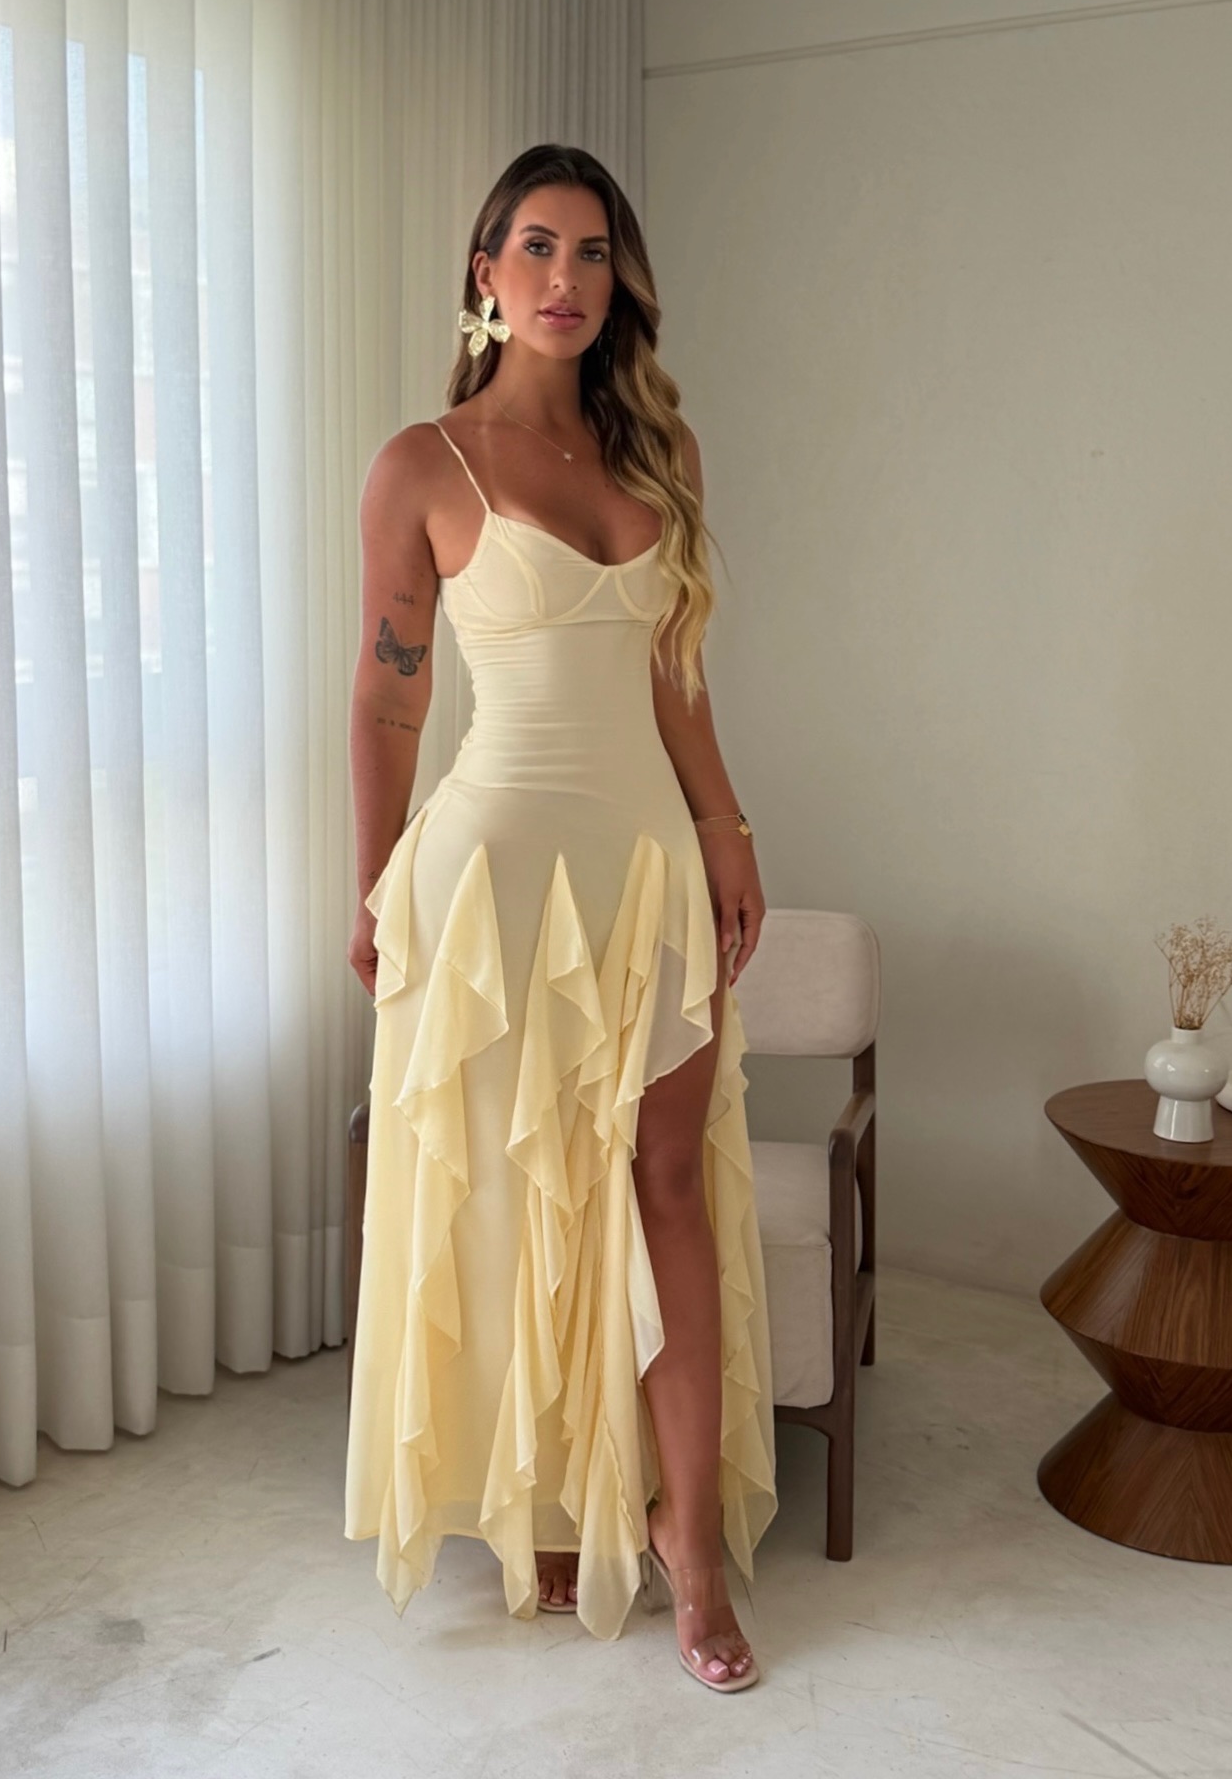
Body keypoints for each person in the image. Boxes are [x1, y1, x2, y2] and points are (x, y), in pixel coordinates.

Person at [344, 143, 777, 1693]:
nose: (564, 279)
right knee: (515, 1199)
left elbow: (677, 676)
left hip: (645, 870)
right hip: (491, 879)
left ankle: (688, 1542)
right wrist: (374, 882)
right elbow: (389, 703)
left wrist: (727, 831)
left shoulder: (662, 452)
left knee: (670, 1189)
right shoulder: (424, 464)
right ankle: (538, 1505)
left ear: (618, 282)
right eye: (536, 247)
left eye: (593, 253)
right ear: (485, 273)